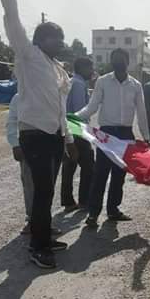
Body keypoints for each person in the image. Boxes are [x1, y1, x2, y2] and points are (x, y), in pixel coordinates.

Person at [2, 0, 78, 269]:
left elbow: (60, 107)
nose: (60, 42)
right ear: (40, 39)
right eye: (55, 38)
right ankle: (38, 246)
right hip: (35, 135)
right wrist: (9, 4)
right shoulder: (28, 55)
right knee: (42, 192)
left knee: (47, 192)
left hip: (55, 135)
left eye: (61, 38)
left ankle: (44, 237)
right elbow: (13, 26)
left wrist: (68, 139)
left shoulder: (57, 67)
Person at [76, 48, 150, 227]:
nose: (118, 62)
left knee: (119, 175)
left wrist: (146, 137)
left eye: (121, 59)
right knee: (100, 174)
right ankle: (93, 214)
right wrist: (73, 117)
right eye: (115, 59)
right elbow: (91, 107)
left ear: (127, 61)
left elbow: (141, 113)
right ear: (112, 61)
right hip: (106, 134)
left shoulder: (135, 85)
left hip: (126, 135)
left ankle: (113, 210)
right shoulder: (103, 82)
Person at [6, 94, 63, 236]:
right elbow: (12, 122)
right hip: (30, 146)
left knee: (48, 187)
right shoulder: (20, 97)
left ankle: (44, 222)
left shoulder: (50, 96)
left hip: (53, 144)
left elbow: (62, 119)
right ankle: (32, 220)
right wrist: (15, 144)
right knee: (31, 185)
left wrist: (67, 140)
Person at [61, 57, 95, 213]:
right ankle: (85, 200)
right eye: (90, 68)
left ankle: (68, 201)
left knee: (69, 165)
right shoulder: (79, 84)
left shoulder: (71, 81)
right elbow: (79, 112)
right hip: (76, 128)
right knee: (88, 166)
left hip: (67, 128)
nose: (92, 71)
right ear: (82, 68)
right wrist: (82, 134)